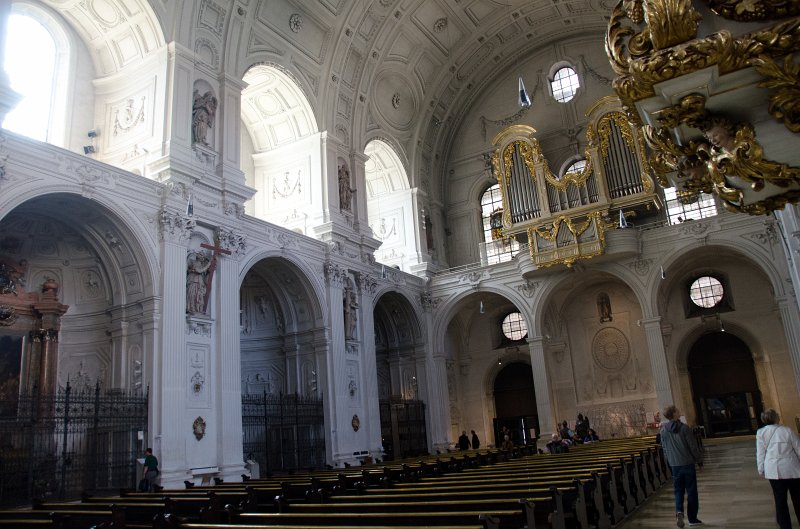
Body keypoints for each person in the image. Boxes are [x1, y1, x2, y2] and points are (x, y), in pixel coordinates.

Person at [659, 405, 703, 527]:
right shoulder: (684, 429)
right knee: (691, 491)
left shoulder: (663, 431)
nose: (679, 411)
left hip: (675, 465)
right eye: (677, 411)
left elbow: (664, 449)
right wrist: (699, 461)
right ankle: (692, 519)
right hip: (687, 463)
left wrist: (670, 461)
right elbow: (693, 446)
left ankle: (679, 511)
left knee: (678, 490)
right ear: (674, 414)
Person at [756, 408, 800, 529]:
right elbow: (798, 448)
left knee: (780, 501)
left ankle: (785, 526)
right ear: (776, 418)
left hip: (774, 470)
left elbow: (760, 453)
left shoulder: (761, 433)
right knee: (798, 499)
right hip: (792, 469)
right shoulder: (787, 430)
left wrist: (761, 469)